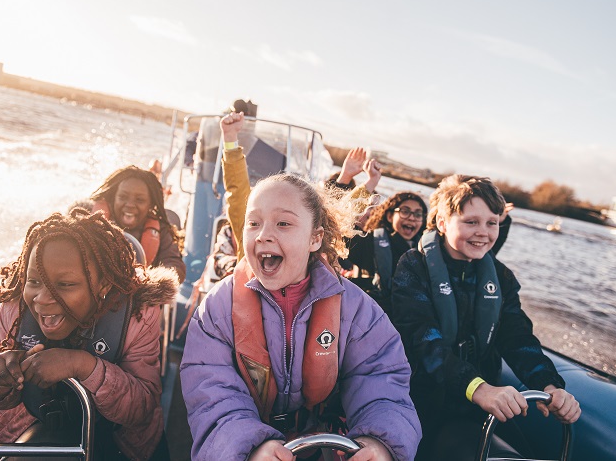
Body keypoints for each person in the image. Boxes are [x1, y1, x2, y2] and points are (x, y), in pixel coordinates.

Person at [179, 173, 421, 461]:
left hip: (322, 442)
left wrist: (380, 442)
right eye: (253, 223)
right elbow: (212, 393)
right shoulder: (217, 310)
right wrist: (250, 446)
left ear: (315, 238)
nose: (263, 234)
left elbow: (382, 381)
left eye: (283, 223)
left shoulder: (358, 311)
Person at [391, 175, 581, 460]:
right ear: (442, 223)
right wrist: (478, 388)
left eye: (492, 223)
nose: (484, 232)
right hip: (423, 402)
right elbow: (424, 341)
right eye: (471, 222)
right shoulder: (413, 267)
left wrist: (549, 384)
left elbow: (518, 338)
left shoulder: (502, 278)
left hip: (478, 407)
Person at [0, 209, 179, 461]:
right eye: (34, 281)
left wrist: (83, 366)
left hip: (116, 445)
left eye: (65, 285)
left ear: (103, 285)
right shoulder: (13, 309)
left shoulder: (137, 314)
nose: (42, 299)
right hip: (27, 440)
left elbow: (142, 408)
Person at [90, 165, 186, 282]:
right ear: (113, 198)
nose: (130, 204)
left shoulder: (162, 231)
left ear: (151, 204)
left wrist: (148, 278)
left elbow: (175, 266)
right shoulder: (90, 222)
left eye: (139, 200)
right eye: (123, 197)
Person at [344, 191, 428, 316]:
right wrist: (364, 183)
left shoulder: (427, 253)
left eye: (417, 214)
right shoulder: (371, 243)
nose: (411, 218)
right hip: (369, 316)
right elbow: (342, 225)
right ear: (390, 216)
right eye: (405, 211)